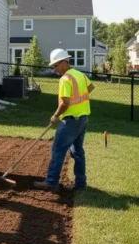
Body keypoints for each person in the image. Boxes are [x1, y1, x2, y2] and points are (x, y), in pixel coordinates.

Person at [34, 48, 95, 191]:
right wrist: (80, 98)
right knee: (78, 152)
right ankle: (81, 183)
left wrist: (55, 116)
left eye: (55, 65)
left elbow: (65, 103)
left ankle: (51, 182)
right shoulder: (80, 75)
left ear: (64, 62)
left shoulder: (65, 79)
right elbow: (90, 87)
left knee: (58, 150)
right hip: (83, 119)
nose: (55, 69)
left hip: (70, 121)